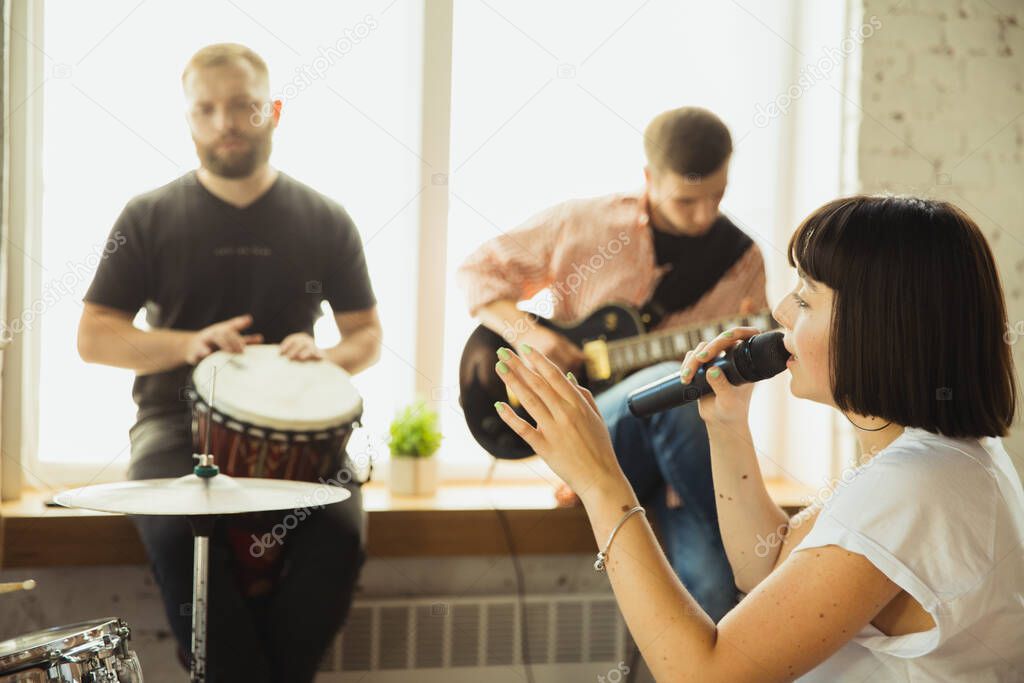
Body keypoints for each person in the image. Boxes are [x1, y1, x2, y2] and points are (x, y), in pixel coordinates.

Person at [490, 195, 1024, 680]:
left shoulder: (913, 488)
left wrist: (602, 485)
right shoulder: (932, 459)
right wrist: (725, 426)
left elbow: (705, 674)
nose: (780, 311)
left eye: (808, 299)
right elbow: (766, 568)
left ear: (877, 328)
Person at [77, 43, 382, 682]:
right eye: (206, 109)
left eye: (242, 107)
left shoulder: (326, 218)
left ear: (271, 110)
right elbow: (95, 337)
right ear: (189, 119)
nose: (225, 123)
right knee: (180, 536)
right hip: (173, 424)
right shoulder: (149, 215)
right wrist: (186, 345)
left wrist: (325, 359)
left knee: (339, 538)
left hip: (304, 433)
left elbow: (367, 337)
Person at [458, 107, 768, 620]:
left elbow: (745, 373)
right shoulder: (583, 224)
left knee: (714, 595)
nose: (704, 215)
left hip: (684, 457)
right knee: (670, 384)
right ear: (648, 179)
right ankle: (756, 549)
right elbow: (476, 273)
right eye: (686, 200)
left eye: (718, 195)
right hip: (593, 425)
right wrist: (530, 333)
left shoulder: (743, 258)